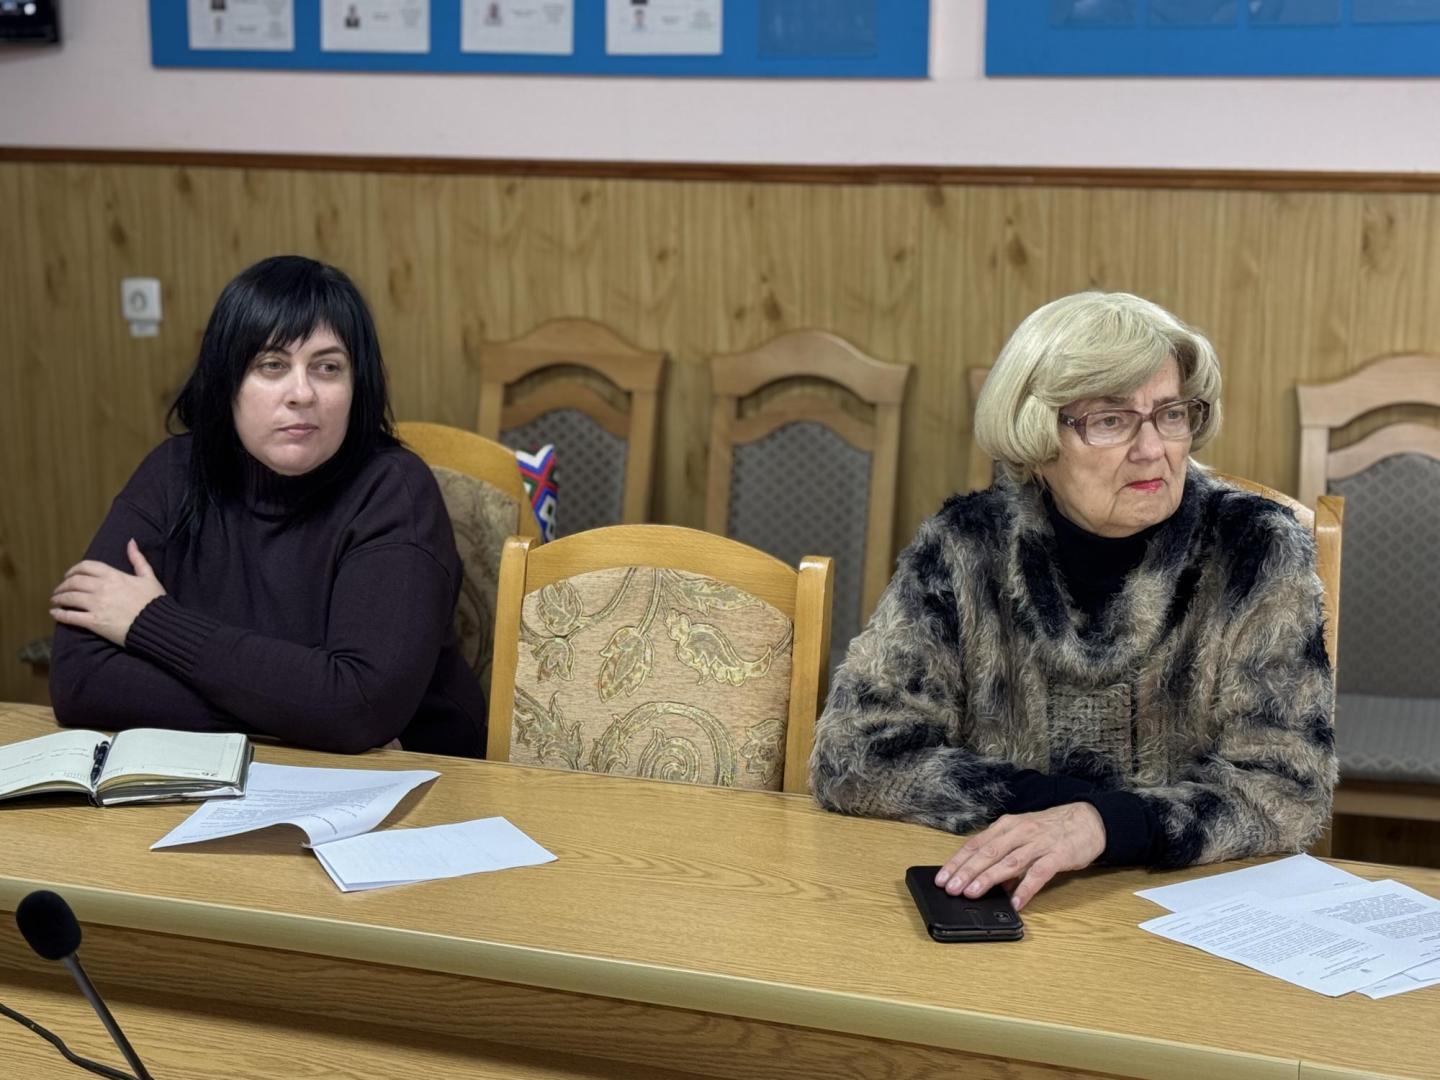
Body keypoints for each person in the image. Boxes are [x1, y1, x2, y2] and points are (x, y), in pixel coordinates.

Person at [810, 291, 1335, 911]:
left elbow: (1287, 788)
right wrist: (1054, 817)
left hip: (1190, 908)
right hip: (1008, 895)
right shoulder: (965, 546)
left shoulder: (1255, 549)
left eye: (1170, 414)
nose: (1153, 449)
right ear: (1037, 438)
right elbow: (854, 753)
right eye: (1111, 421)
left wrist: (1101, 825)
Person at [48, 255, 486, 757]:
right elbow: (78, 680)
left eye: (327, 367)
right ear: (227, 380)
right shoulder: (172, 472)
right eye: (272, 365)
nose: (301, 393)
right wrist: (303, 716)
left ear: (356, 385)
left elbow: (359, 706)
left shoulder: (393, 491)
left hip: (417, 779)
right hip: (230, 773)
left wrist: (151, 621)